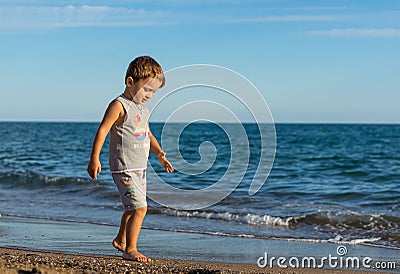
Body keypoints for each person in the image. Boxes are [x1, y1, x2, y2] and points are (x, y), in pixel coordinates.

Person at [87, 56, 174, 262]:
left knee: (132, 206)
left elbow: (148, 134)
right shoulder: (119, 105)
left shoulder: (143, 110)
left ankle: (120, 239)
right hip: (124, 167)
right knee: (140, 208)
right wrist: (94, 158)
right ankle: (131, 249)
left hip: (139, 168)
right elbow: (103, 130)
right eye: (146, 89)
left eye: (153, 92)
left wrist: (160, 154)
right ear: (130, 82)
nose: (150, 95)